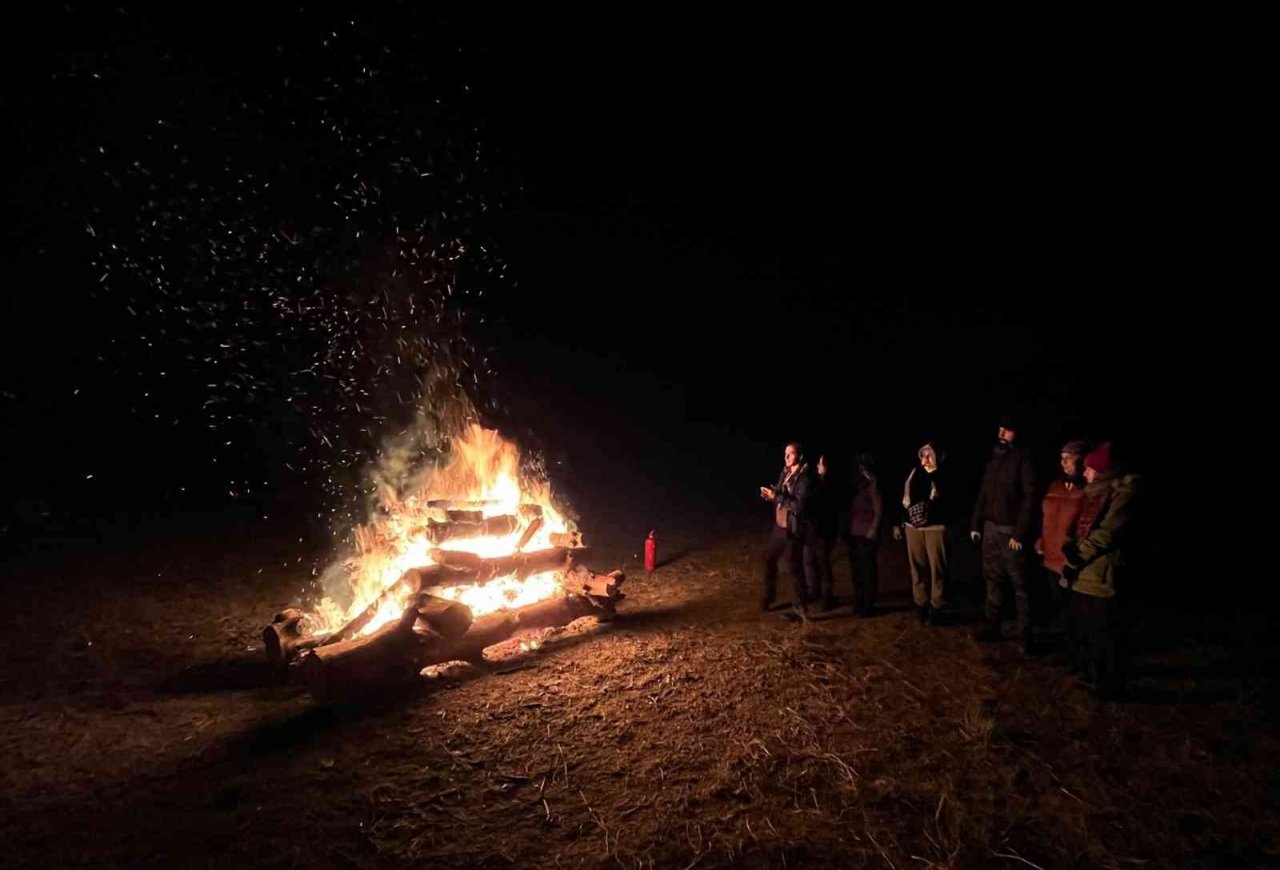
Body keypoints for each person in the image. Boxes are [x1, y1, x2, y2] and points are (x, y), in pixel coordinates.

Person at [1061, 442, 1141, 699]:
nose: (1084, 473)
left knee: (1105, 632)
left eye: (1089, 469)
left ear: (1101, 471)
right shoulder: (1094, 494)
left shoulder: (1122, 495)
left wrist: (1078, 556)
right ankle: (1092, 674)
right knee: (1088, 629)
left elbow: (1107, 532)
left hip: (1103, 572)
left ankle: (1110, 683)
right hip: (1087, 572)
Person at [971, 416, 1039, 651]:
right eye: (1000, 428)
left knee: (1019, 583)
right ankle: (992, 625)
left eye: (1007, 430)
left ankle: (1025, 635)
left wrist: (1019, 534)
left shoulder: (1023, 458)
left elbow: (1030, 497)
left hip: (1010, 530)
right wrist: (975, 523)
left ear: (1017, 433)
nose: (1001, 433)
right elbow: (983, 491)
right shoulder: (994, 456)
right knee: (992, 578)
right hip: (990, 527)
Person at [1036, 440, 1089, 633]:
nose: (1063, 463)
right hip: (1050, 555)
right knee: (1057, 604)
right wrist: (1041, 539)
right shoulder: (1055, 485)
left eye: (1069, 458)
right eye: (1061, 458)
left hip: (1069, 560)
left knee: (1074, 610)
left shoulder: (1087, 491)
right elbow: (1046, 516)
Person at [894, 442, 950, 624]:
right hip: (912, 527)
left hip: (935, 527)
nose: (925, 458)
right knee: (917, 567)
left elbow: (948, 499)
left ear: (937, 457)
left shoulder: (942, 474)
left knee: (937, 568)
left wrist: (934, 473)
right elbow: (905, 499)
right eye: (923, 454)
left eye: (929, 454)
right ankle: (921, 603)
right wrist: (899, 522)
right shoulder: (914, 473)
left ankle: (937, 605)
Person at [759, 442, 812, 612]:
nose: (787, 457)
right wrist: (772, 495)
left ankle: (800, 606)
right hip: (780, 526)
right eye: (785, 454)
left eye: (791, 453)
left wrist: (778, 497)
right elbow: (781, 496)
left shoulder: (804, 478)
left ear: (800, 456)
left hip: (793, 529)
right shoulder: (785, 471)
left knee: (794, 566)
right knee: (768, 560)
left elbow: (798, 506)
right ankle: (769, 596)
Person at [846, 453, 883, 616]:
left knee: (867, 570)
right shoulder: (856, 485)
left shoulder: (873, 484)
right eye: (859, 466)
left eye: (863, 466)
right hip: (854, 533)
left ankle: (868, 605)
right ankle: (859, 601)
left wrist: (873, 530)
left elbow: (879, 510)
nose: (860, 469)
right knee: (857, 571)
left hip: (867, 534)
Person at [804, 454, 839, 611]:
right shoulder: (818, 481)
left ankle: (827, 597)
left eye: (821, 463)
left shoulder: (829, 484)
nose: (818, 466)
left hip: (824, 531)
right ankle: (815, 592)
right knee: (810, 561)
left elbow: (818, 501)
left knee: (823, 564)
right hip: (813, 529)